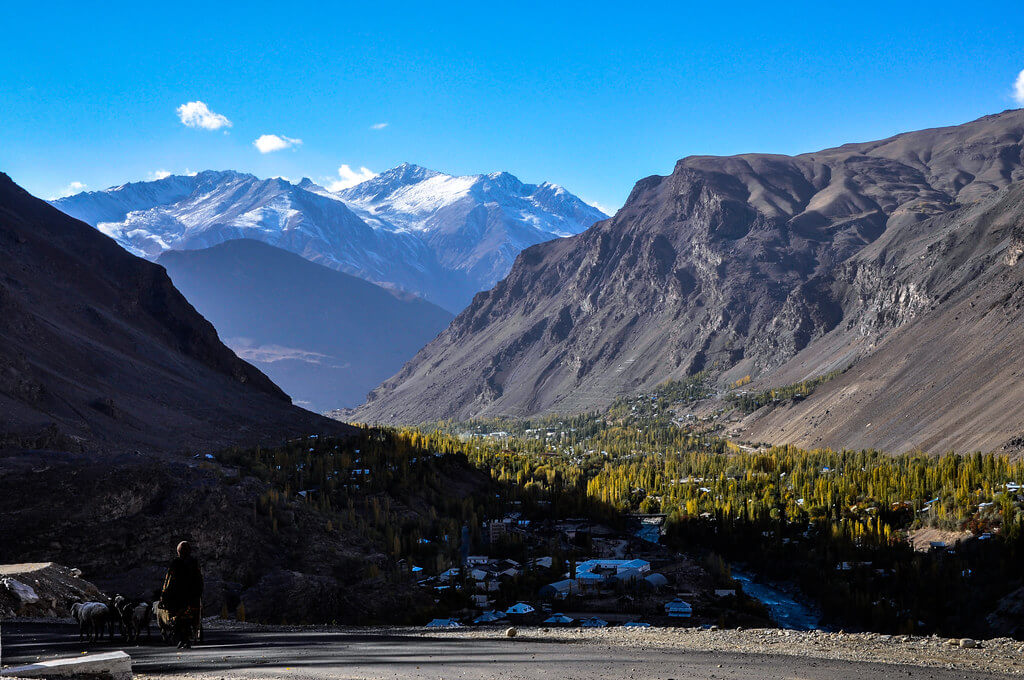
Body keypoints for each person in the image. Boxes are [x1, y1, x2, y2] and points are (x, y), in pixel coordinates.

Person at [160, 540, 203, 648]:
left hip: (177, 599)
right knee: (189, 619)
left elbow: (168, 581)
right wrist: (198, 594)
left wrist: (164, 595)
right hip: (192, 598)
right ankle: (186, 639)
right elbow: (199, 580)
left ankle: (181, 639)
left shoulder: (175, 564)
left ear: (178, 552)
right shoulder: (194, 563)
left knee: (177, 619)